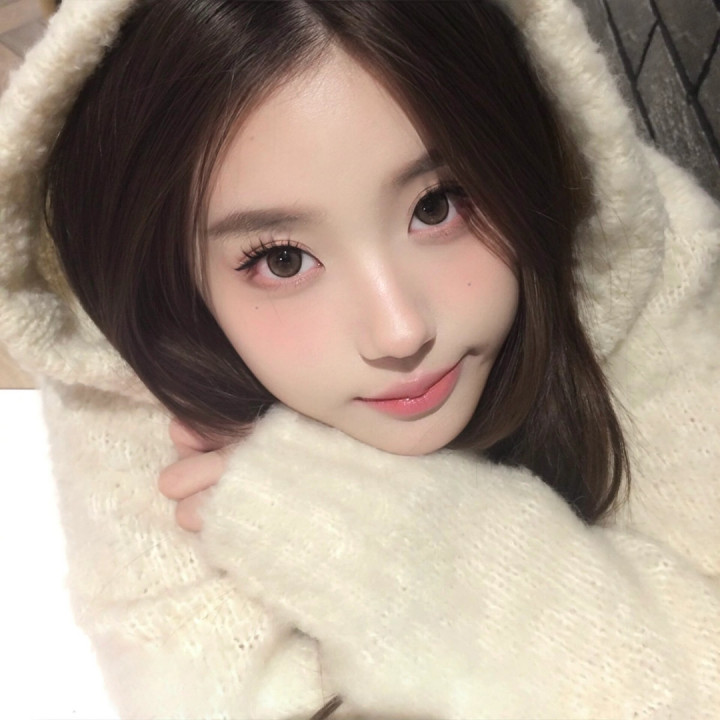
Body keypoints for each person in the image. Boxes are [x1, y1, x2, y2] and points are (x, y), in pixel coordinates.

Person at [0, 0, 718, 718]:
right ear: (172, 276)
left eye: (438, 205)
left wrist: (417, 546)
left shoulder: (633, 253)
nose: (399, 331)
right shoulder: (133, 391)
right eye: (282, 259)